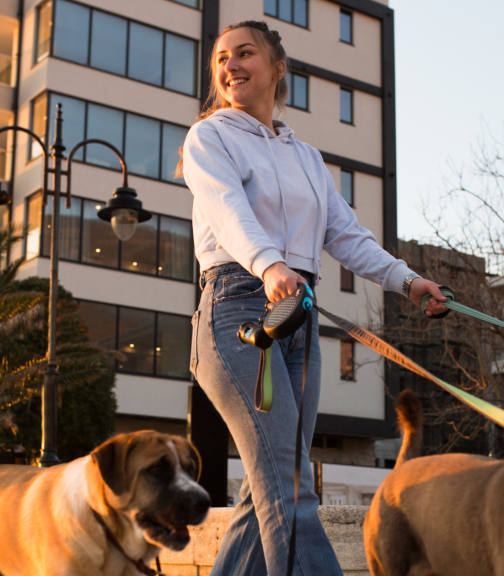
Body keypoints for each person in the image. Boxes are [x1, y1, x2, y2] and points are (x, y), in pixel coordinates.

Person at [180, 20, 448, 576]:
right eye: (221, 59)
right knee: (291, 484)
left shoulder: (306, 157)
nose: (230, 65)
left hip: (297, 314)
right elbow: (228, 211)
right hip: (237, 312)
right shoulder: (209, 138)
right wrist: (269, 264)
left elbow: (346, 234)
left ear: (278, 68)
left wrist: (407, 280)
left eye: (244, 53)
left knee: (270, 487)